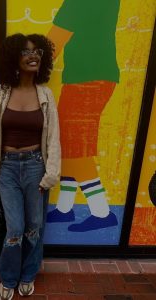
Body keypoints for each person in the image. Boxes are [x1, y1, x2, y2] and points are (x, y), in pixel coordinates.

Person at [0, 33, 61, 300]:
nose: (33, 56)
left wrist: (50, 175)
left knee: (34, 226)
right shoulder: (1, 93)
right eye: (27, 52)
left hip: (35, 167)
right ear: (14, 58)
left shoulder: (46, 95)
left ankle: (28, 275)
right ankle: (8, 277)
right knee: (15, 228)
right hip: (6, 168)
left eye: (38, 52)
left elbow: (53, 138)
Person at [46, 0, 120, 231]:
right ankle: (65, 209)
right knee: (69, 144)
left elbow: (52, 44)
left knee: (77, 148)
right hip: (94, 77)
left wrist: (23, 75)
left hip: (85, 81)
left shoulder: (79, 2)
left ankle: (101, 212)